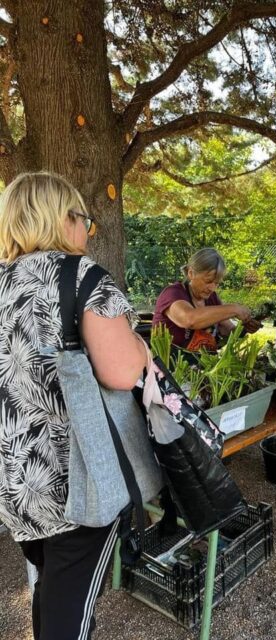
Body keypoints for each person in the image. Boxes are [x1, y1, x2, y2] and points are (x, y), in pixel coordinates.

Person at [0, 172, 148, 640]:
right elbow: (123, 372)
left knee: (56, 585)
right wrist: (142, 348)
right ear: (64, 220)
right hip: (75, 484)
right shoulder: (80, 276)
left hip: (14, 477)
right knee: (70, 602)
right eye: (84, 218)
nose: (87, 230)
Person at [152, 247, 260, 352]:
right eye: (208, 281)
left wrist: (245, 328)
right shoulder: (173, 293)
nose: (212, 288)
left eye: (216, 283)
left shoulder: (211, 298)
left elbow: (227, 330)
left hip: (203, 367)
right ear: (191, 273)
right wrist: (234, 309)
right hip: (169, 367)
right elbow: (189, 319)